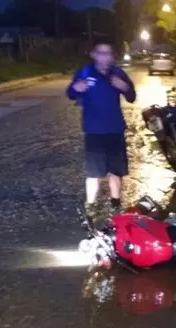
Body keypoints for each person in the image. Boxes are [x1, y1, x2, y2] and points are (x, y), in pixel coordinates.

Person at [67, 40, 137, 216]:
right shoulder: (85, 73)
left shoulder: (118, 73)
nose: (105, 57)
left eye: (108, 53)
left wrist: (124, 87)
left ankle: (116, 204)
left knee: (116, 171)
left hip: (115, 129)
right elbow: (70, 93)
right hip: (94, 131)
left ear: (113, 56)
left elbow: (131, 96)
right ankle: (90, 206)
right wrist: (76, 88)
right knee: (94, 172)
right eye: (101, 53)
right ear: (93, 55)